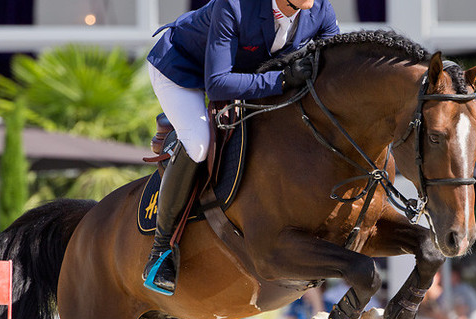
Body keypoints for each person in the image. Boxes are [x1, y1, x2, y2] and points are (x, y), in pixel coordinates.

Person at [142, 0, 340, 295]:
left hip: (243, 75)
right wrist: (284, 78)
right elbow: (218, 84)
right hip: (181, 70)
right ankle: (160, 252)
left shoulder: (321, 10)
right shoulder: (233, 5)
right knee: (198, 143)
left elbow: (333, 67)